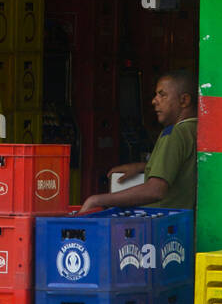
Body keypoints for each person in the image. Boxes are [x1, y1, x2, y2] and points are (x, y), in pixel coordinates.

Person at [79, 71, 197, 214]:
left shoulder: (174, 133)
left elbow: (155, 190)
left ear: (184, 100)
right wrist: (144, 167)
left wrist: (99, 200)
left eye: (162, 94)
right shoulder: (195, 130)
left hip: (161, 223)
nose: (154, 101)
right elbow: (181, 166)